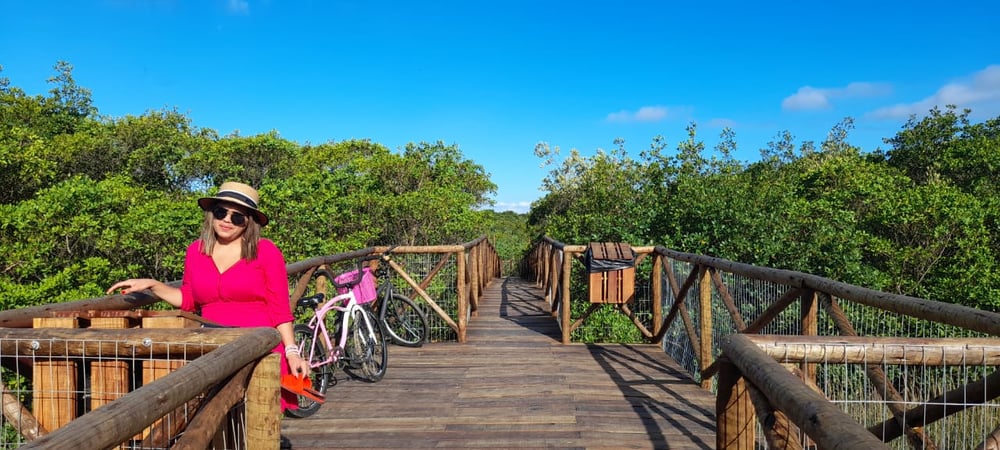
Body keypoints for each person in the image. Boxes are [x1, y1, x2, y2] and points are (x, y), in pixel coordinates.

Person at [107, 181, 310, 412]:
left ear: (249, 223)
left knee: (257, 421)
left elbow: (280, 309)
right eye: (221, 212)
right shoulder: (196, 251)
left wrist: (293, 352)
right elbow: (190, 299)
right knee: (214, 421)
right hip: (214, 348)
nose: (226, 220)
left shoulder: (266, 252)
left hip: (258, 348)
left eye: (237, 217)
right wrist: (153, 285)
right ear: (211, 214)